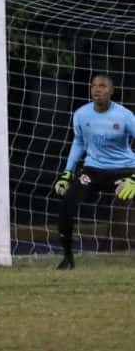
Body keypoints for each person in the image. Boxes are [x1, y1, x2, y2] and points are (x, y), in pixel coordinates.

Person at [53, 73, 135, 270]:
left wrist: (134, 178)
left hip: (124, 169)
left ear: (112, 91)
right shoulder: (81, 114)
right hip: (93, 170)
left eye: (103, 86)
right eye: (94, 86)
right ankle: (67, 257)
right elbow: (79, 142)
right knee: (68, 202)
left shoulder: (125, 116)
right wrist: (67, 173)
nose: (97, 90)